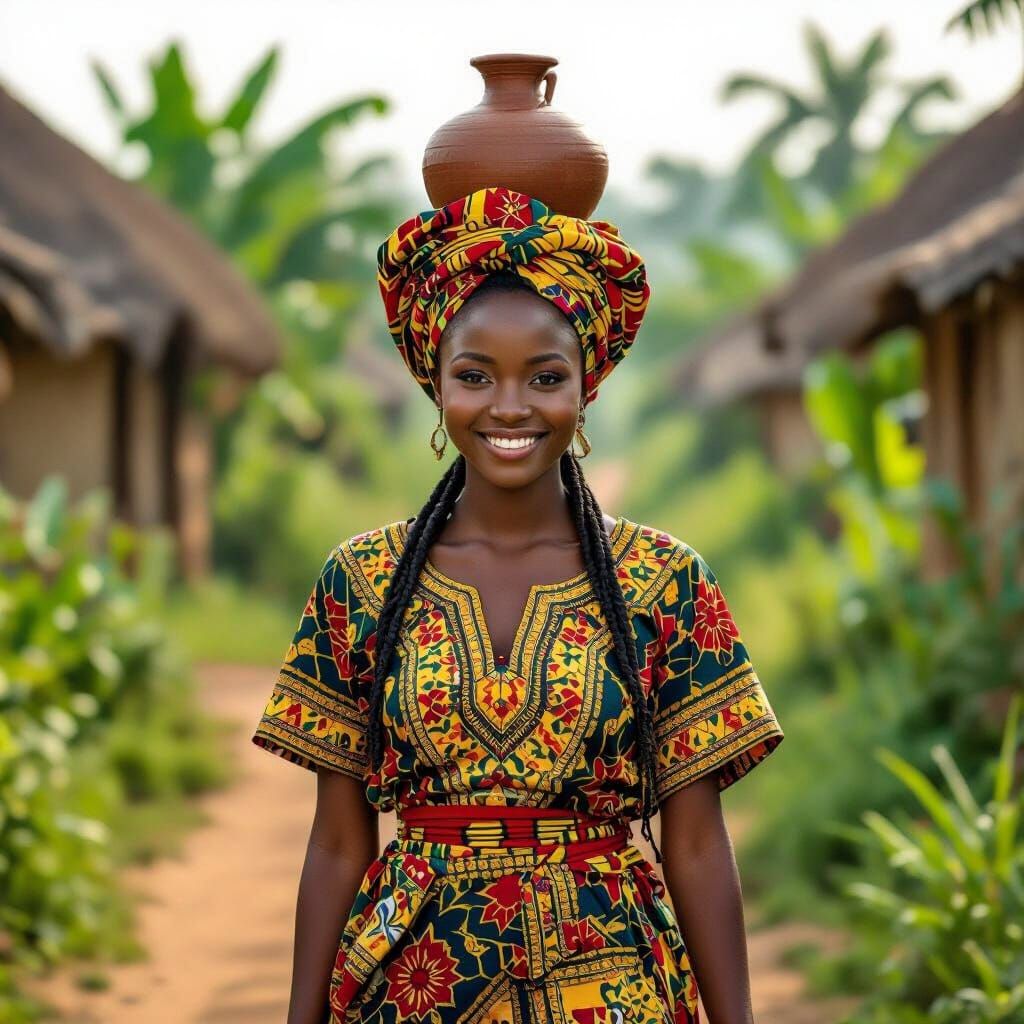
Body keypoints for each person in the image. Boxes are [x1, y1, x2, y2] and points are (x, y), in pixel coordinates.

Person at [252, 186, 785, 1024]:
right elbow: (337, 839)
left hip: (613, 989)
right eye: (474, 376)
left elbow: (694, 841)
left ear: (587, 389)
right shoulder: (360, 581)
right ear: (436, 383)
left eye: (544, 377)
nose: (508, 407)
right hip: (412, 987)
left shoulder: (665, 581)